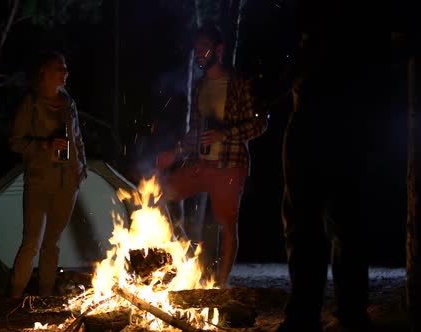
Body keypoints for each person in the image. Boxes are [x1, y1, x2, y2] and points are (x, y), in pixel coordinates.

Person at [275, 3, 385, 331]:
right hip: (348, 130)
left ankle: (307, 316)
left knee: (308, 226)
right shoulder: (358, 32)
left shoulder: (318, 40)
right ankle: (350, 313)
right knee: (345, 226)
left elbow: (297, 64)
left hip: (315, 130)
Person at [155, 24, 268, 287]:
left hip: (229, 166)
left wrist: (224, 135)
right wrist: (176, 153)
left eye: (204, 49)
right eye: (196, 50)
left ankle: (220, 285)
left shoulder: (239, 83)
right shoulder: (200, 87)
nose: (199, 55)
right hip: (201, 165)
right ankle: (182, 253)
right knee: (161, 192)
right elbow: (196, 133)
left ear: (219, 49)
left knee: (226, 225)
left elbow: (260, 123)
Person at [8, 50, 87, 299]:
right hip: (39, 181)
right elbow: (15, 142)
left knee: (52, 243)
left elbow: (77, 139)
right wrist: (43, 145)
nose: (65, 73)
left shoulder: (68, 102)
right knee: (32, 241)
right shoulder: (31, 103)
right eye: (59, 68)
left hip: (68, 182)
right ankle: (14, 297)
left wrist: (81, 168)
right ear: (44, 72)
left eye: (65, 69)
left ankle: (45, 295)